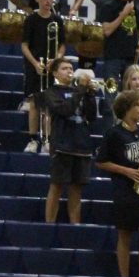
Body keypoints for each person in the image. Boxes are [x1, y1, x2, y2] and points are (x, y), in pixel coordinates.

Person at [94, 90, 139, 277]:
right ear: (127, 108)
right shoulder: (114, 133)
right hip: (124, 190)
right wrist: (127, 171)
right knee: (125, 235)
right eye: (138, 105)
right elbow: (100, 162)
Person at [43, 57, 98, 224]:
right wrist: (81, 89)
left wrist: (90, 95)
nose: (69, 71)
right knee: (57, 186)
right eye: (64, 68)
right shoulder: (51, 93)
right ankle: (49, 225)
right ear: (55, 73)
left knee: (76, 190)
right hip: (62, 145)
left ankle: (76, 227)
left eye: (70, 68)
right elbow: (65, 110)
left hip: (81, 144)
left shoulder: (79, 91)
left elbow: (91, 116)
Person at [21, 0, 65, 153]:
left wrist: (55, 60)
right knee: (34, 103)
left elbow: (61, 46)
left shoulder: (57, 20)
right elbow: (24, 46)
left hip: (51, 66)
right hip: (35, 66)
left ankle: (47, 139)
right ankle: (32, 140)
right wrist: (35, 63)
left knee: (48, 105)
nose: (48, 1)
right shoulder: (31, 19)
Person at [98, 0, 139, 106]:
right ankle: (110, 122)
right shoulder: (108, 7)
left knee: (130, 95)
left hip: (131, 57)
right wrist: (123, 15)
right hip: (113, 57)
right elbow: (106, 31)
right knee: (111, 92)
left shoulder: (134, 8)